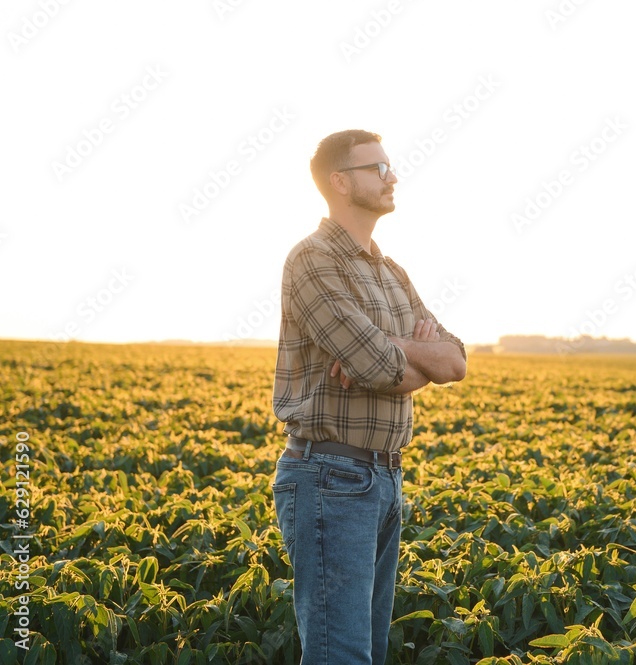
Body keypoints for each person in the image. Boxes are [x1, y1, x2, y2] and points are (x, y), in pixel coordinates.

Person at [270, 129, 467, 664]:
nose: (393, 176)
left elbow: (455, 360)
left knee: (368, 654)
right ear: (339, 182)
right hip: (330, 477)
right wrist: (400, 355)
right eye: (377, 168)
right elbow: (378, 365)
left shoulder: (391, 272)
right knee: (343, 656)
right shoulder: (312, 260)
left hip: (383, 480)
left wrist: (396, 352)